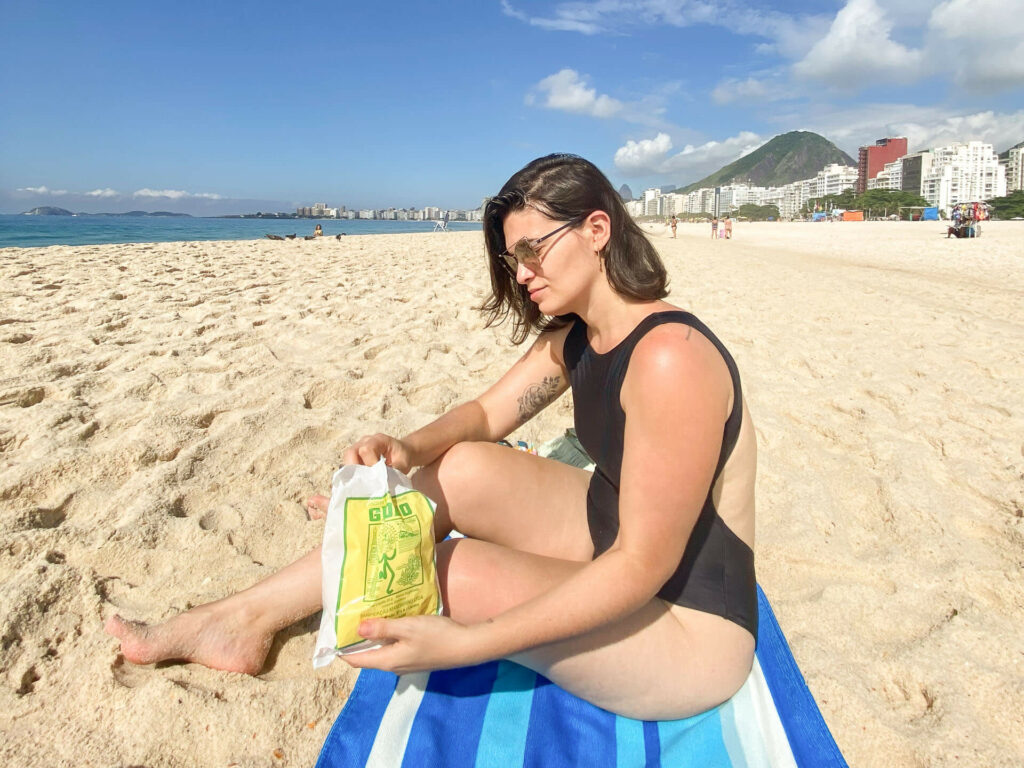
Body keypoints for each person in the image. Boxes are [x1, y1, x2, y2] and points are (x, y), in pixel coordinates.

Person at [104, 154, 758, 721]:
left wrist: (467, 643)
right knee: (461, 469)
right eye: (513, 258)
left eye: (534, 249)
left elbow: (644, 566)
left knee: (453, 570)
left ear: (596, 229)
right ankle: (240, 620)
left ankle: (252, 621)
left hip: (688, 626)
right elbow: (484, 414)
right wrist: (408, 449)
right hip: (612, 531)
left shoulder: (672, 358)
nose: (523, 273)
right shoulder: (579, 333)